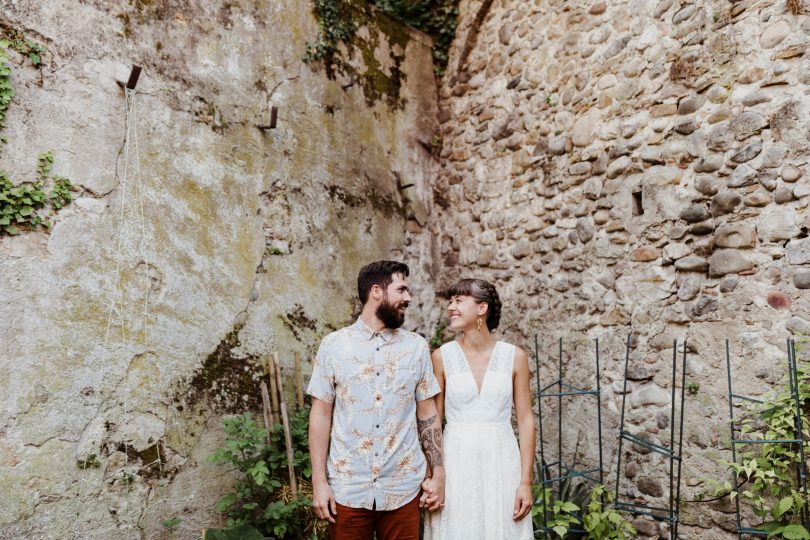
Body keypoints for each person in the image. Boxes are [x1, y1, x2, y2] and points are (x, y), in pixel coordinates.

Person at [307, 260, 445, 540]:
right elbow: (320, 415)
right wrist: (319, 481)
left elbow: (427, 413)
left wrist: (438, 472)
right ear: (377, 292)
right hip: (348, 486)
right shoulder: (334, 346)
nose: (408, 298)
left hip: (403, 485)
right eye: (402, 289)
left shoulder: (416, 347)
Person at [422, 278, 535, 540]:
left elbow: (526, 421)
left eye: (459, 301)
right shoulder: (441, 356)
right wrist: (432, 477)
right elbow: (433, 421)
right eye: (450, 301)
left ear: (481, 308)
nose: (451, 307)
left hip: (502, 462)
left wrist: (525, 482)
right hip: (456, 461)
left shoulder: (515, 357)